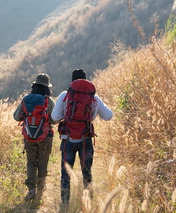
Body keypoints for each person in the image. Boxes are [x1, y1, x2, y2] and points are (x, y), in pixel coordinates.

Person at [51, 69, 113, 205]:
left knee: (66, 174)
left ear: (72, 81)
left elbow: (54, 117)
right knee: (87, 173)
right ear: (86, 80)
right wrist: (93, 112)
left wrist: (66, 115)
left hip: (68, 139)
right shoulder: (94, 98)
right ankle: (89, 203)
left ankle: (65, 205)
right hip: (86, 140)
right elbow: (108, 116)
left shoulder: (64, 95)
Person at [13, 73, 58, 201]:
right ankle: (41, 190)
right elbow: (54, 120)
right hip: (45, 136)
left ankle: (31, 190)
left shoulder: (26, 99)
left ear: (34, 86)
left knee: (31, 162)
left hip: (28, 137)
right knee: (43, 163)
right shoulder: (48, 101)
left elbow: (16, 117)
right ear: (47, 88)